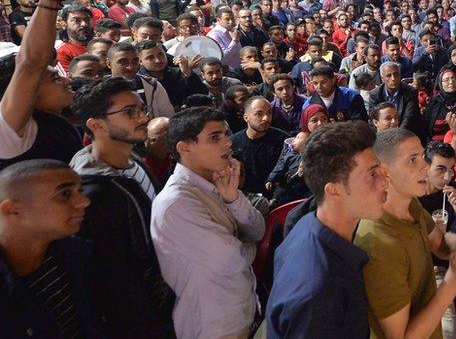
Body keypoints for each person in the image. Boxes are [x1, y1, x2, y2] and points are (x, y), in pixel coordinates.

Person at [354, 128, 456, 339]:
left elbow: (442, 247)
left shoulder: (412, 206)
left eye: (422, 157)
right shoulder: (379, 242)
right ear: (385, 171)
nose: (425, 167)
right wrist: (453, 281)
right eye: (412, 160)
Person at [69, 77, 174, 336]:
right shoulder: (92, 194)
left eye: (141, 109)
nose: (143, 117)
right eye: (130, 112)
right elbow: (112, 280)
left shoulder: (133, 160)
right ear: (96, 124)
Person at [265, 121, 389, 338]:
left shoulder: (309, 224)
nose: (385, 183)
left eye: (380, 170)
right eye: (371, 175)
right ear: (334, 190)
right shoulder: (319, 291)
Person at [151, 107, 265, 339]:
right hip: (215, 325)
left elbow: (258, 229)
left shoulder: (219, 181)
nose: (227, 143)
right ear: (184, 147)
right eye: (215, 137)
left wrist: (233, 200)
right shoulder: (176, 202)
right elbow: (232, 259)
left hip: (242, 310)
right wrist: (246, 243)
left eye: (225, 134)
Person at [0, 0, 88, 170]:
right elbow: (31, 63)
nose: (67, 80)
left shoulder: (60, 119)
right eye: (55, 78)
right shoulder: (10, 133)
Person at [0, 159, 99, 338]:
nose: (84, 201)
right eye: (65, 194)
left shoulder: (77, 256)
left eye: (80, 191)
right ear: (13, 210)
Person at [266, 104, 328, 205]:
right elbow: (282, 166)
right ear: (306, 122)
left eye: (324, 119)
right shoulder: (295, 143)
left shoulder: (333, 142)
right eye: (314, 120)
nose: (320, 123)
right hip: (293, 191)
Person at [231, 96, 289, 199]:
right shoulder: (233, 143)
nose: (266, 118)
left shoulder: (283, 140)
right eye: (259, 114)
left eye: (269, 113)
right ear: (246, 117)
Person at [107, 42, 176, 118]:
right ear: (109, 63)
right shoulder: (99, 90)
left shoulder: (152, 85)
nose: (130, 67)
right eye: (123, 62)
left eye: (134, 61)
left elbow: (168, 117)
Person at [368, 62, 424, 139]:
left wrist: (397, 137)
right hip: (383, 134)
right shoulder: (375, 94)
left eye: (396, 74)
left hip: (405, 133)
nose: (393, 79)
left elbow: (409, 118)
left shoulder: (410, 92)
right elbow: (373, 119)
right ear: (382, 79)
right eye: (388, 76)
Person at [303, 65, 368, 122]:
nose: (319, 87)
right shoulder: (308, 104)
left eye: (323, 82)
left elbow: (361, 125)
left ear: (333, 80)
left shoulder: (351, 97)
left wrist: (338, 127)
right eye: (315, 83)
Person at [425, 68, 456, 142]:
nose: (451, 82)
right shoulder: (434, 101)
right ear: (440, 83)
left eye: (453, 78)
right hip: (437, 144)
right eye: (446, 80)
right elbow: (426, 127)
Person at [56, 4, 95, 71]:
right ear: (64, 24)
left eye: (87, 20)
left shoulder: (102, 44)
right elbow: (68, 80)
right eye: (77, 20)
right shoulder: (62, 52)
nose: (84, 24)